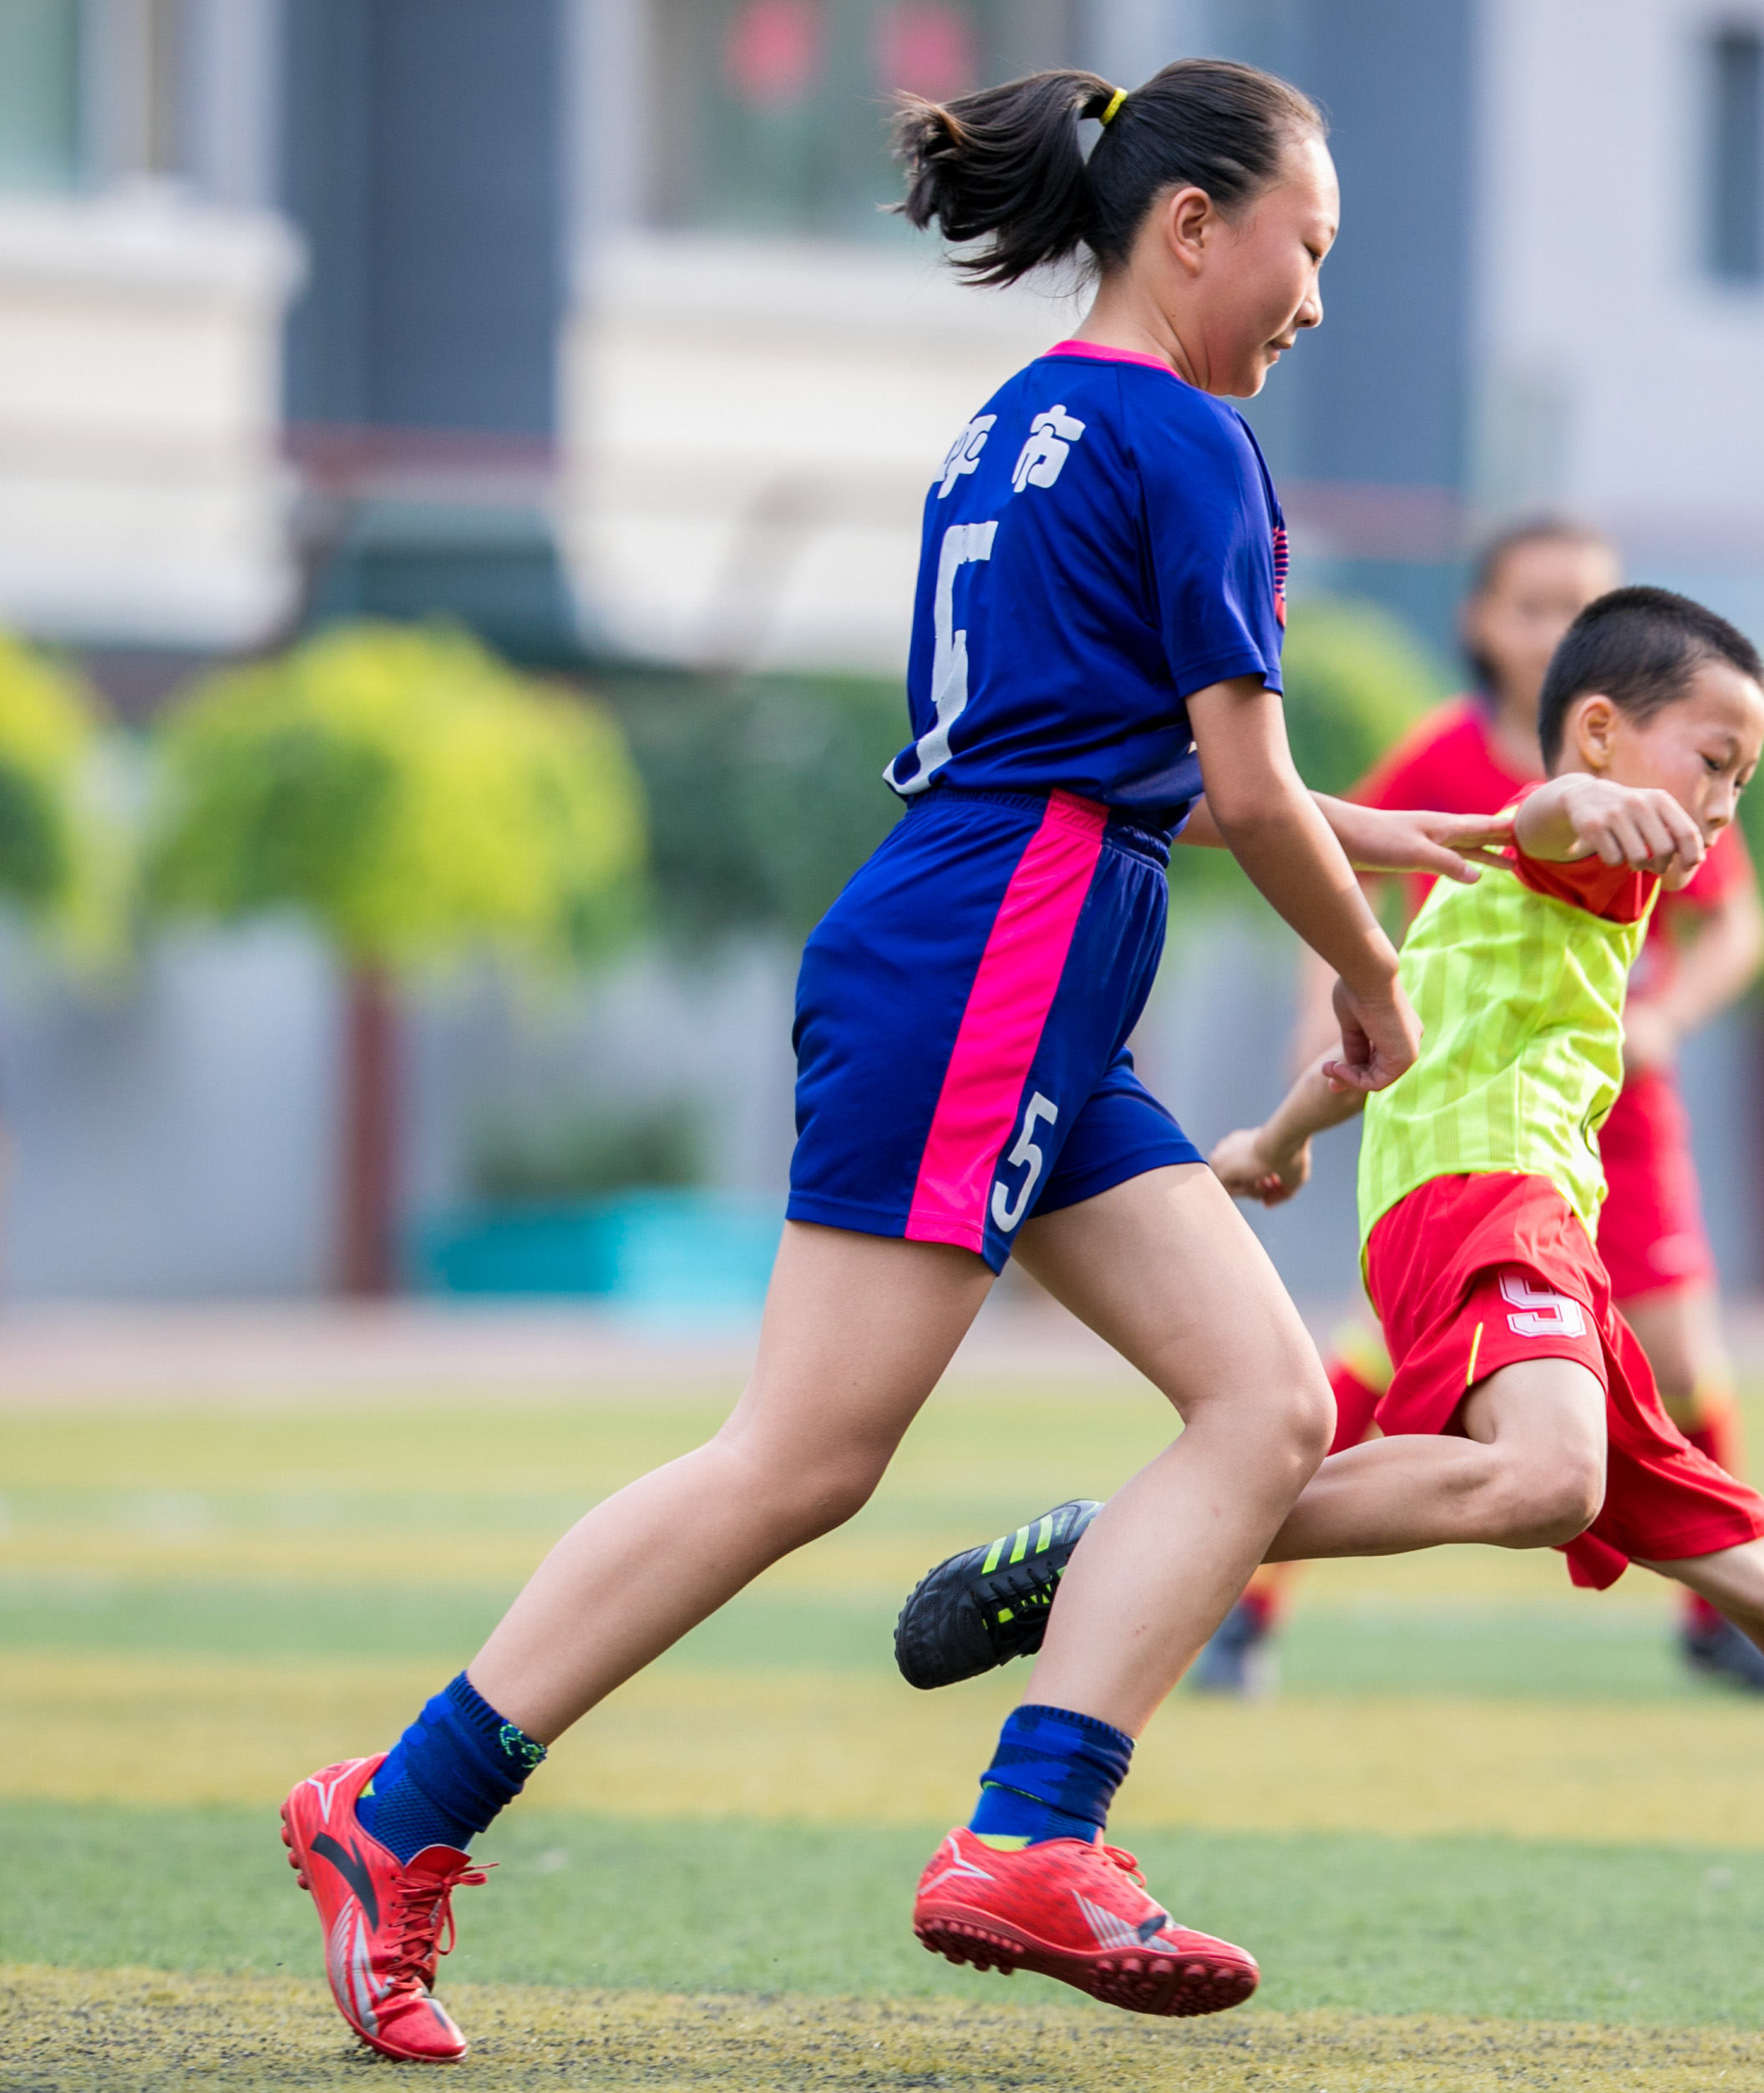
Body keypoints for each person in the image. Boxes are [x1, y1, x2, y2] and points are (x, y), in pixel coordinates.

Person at [277, 58, 1513, 2062]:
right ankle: (394, 1813)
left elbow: (1124, 768)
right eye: (1310, 244)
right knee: (803, 1457)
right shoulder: (1190, 440)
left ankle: (1036, 1832)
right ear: (1192, 226)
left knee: (1264, 1401)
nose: (1313, 294)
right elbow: (1235, 785)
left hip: (997, 940)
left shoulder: (1017, 421)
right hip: (995, 959)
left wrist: (1371, 838)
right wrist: (1371, 976)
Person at [896, 588, 1764, 2065]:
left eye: (1745, 778)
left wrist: (1275, 1141)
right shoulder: (1580, 840)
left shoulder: (1470, 892)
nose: (1722, 802)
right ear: (1606, 731)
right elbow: (1558, 815)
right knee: (1549, 1479)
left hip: (1539, 1249)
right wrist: (1578, 805)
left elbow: (1379, 1039)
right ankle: (1126, 1545)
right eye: (1714, 757)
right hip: (1490, 1216)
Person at [1192, 519, 1764, 1696]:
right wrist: (1332, 995)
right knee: (1456, 1383)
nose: (1556, 626)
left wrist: (1665, 1019)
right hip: (1477, 1135)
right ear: (1481, 623)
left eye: (1583, 602)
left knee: (1668, 1355)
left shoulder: (1682, 767)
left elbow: (1736, 925)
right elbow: (1348, 846)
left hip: (1597, 1107)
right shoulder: (1514, 774)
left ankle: (1729, 1614)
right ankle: (1226, 1585)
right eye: (1532, 603)